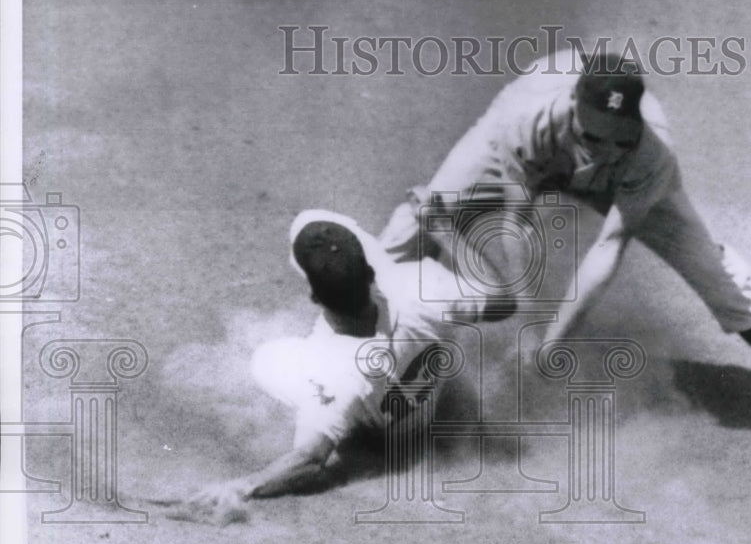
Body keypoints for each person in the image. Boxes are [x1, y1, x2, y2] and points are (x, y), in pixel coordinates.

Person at [379, 49, 751, 437]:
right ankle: (363, 326)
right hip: (534, 149)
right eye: (598, 137)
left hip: (625, 179)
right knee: (427, 212)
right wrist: (531, 327)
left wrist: (554, 343)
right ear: (573, 107)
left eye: (621, 139)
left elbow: (609, 245)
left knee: (711, 268)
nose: (608, 150)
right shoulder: (524, 116)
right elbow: (519, 222)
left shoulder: (650, 153)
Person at [168, 209, 510, 521]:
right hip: (444, 403)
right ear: (370, 272)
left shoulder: (330, 370)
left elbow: (309, 459)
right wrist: (444, 228)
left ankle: (371, 456)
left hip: (392, 445)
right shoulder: (419, 286)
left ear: (315, 298)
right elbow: (502, 300)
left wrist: (244, 486)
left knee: (267, 360)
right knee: (411, 220)